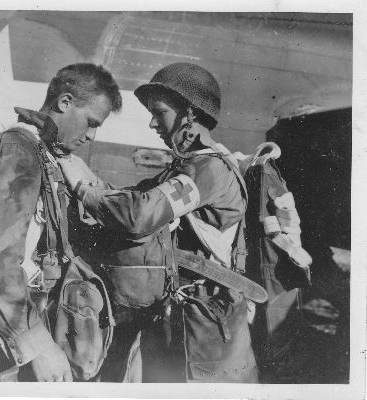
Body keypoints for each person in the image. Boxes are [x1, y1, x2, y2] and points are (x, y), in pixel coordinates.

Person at [58, 62, 259, 382]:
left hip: (208, 328)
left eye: (160, 112)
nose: (153, 123)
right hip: (186, 319)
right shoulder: (187, 168)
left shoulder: (210, 170)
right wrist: (89, 179)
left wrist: (84, 189)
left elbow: (140, 214)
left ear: (190, 114)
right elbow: (136, 196)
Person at [0, 63, 122, 381]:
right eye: (91, 123)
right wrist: (37, 347)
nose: (90, 136)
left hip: (30, 318)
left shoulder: (44, 154)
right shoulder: (17, 152)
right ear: (65, 102)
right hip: (11, 334)